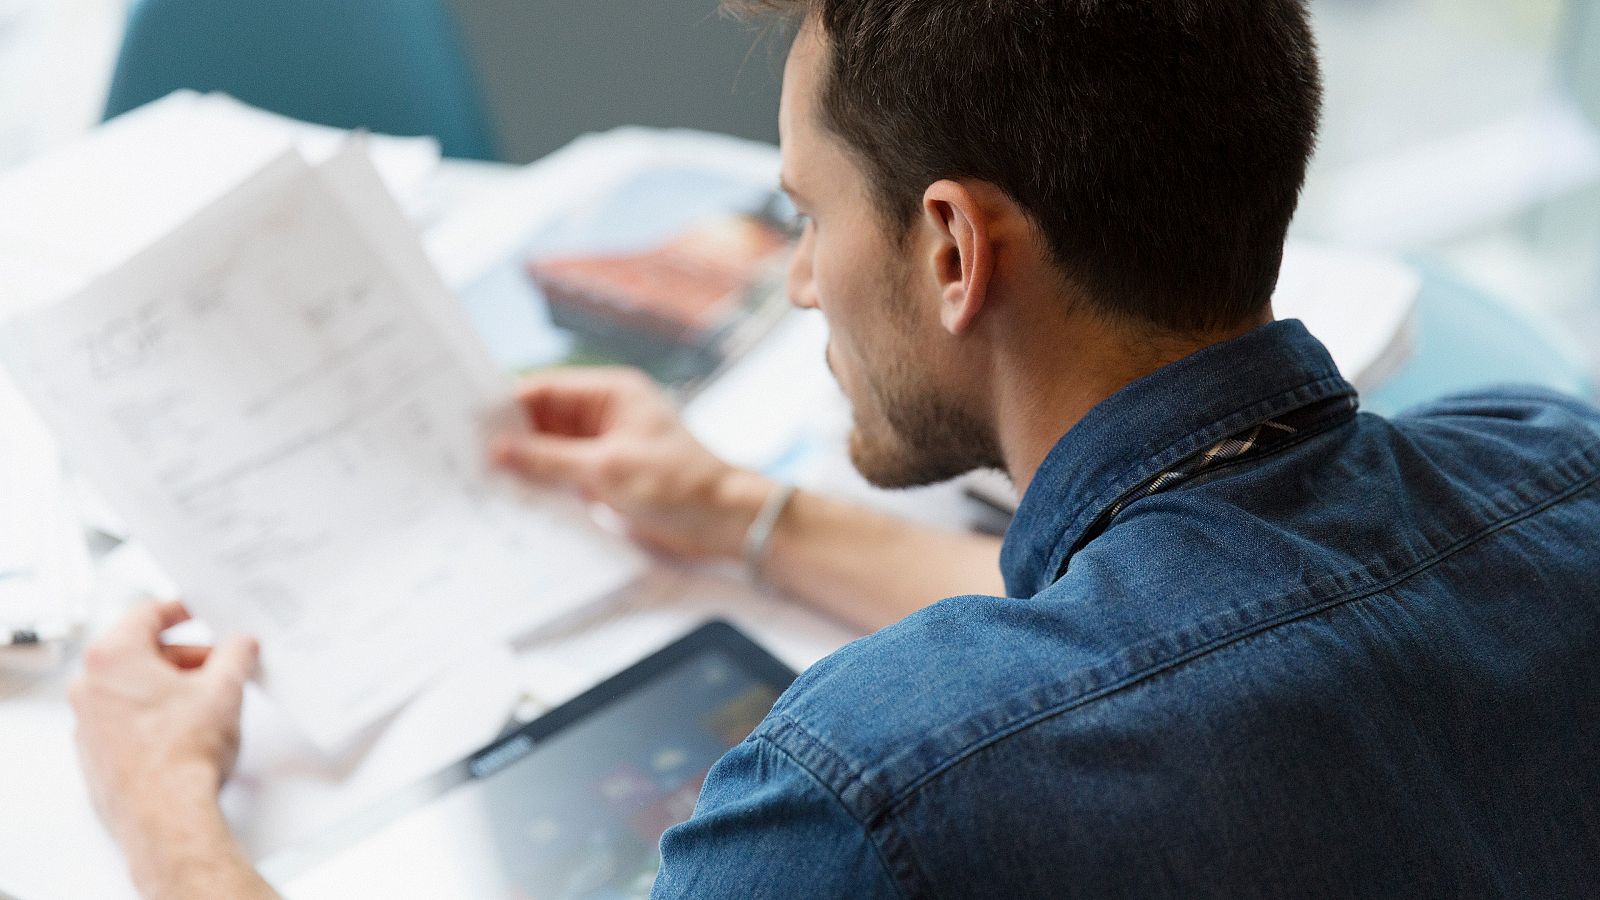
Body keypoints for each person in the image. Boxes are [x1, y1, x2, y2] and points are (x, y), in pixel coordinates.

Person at [68, 0, 1600, 896]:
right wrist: (745, 516)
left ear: (952, 250)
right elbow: (1196, 605)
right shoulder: (1556, 467)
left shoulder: (870, 797)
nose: (799, 276)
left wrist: (167, 824)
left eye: (808, 212)